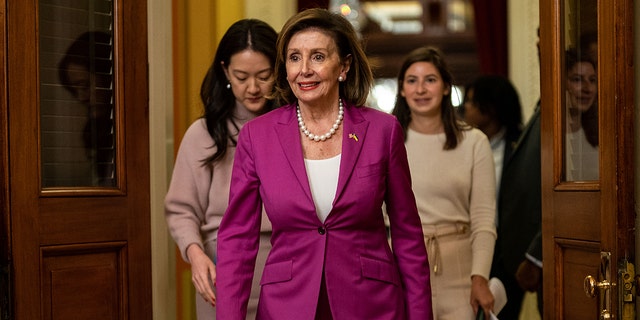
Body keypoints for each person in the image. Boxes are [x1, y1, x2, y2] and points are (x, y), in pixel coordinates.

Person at [215, 8, 432, 319]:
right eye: (294, 58)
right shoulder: (256, 137)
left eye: (317, 57)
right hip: (286, 306)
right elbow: (237, 241)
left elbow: (408, 236)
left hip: (371, 305)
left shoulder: (383, 131)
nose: (304, 70)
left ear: (343, 65)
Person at [164, 19, 278, 319]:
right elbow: (181, 210)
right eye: (241, 76)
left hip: (287, 265)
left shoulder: (294, 128)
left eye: (264, 76)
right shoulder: (204, 133)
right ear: (226, 71)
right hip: (222, 270)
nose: (252, 88)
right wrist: (194, 252)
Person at [391, 46, 497, 319]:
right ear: (402, 89)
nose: (421, 89)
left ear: (447, 87)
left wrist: (480, 277)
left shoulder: (474, 141)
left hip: (460, 269)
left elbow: (484, 218)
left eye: (430, 80)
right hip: (401, 265)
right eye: (412, 81)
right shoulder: (385, 140)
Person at [492, 29, 543, 319]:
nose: (538, 44)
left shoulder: (564, 108)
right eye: (536, 36)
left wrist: (536, 256)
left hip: (541, 256)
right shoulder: (543, 105)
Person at [58, 30, 116, 187]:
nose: (81, 97)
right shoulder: (103, 134)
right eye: (75, 90)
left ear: (107, 75)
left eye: (84, 86)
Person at [462, 75, 523, 198]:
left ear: (490, 107)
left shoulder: (520, 148)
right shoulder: (463, 144)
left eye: (471, 101)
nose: (466, 107)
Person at [564, 48, 598, 181]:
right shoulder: (548, 141)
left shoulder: (600, 137)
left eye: (592, 80)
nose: (587, 89)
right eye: (577, 80)